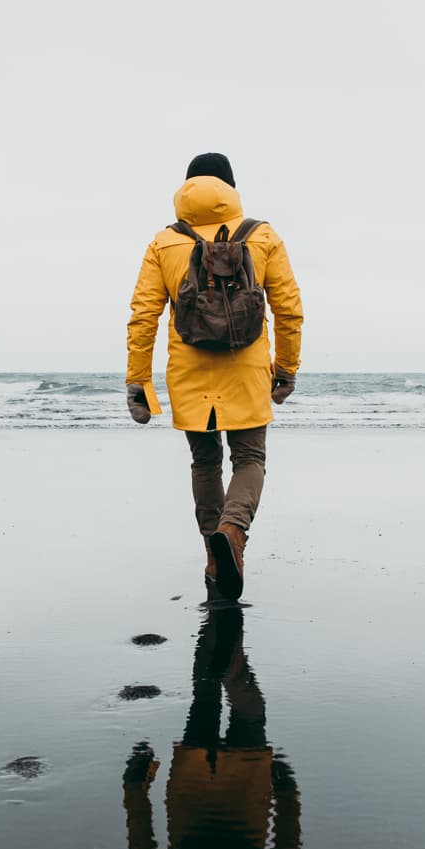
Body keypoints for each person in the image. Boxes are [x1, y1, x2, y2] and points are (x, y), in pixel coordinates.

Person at [126, 153, 305, 599]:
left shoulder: (164, 243)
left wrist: (139, 383)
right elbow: (288, 308)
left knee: (205, 462)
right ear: (231, 187)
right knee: (249, 459)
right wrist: (286, 368)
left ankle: (213, 553)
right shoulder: (261, 235)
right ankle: (234, 531)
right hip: (246, 367)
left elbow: (143, 316)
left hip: (189, 372)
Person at [122, 605, 302, 849]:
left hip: (246, 783)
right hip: (193, 785)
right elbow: (142, 846)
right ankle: (220, 626)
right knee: (205, 696)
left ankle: (228, 643)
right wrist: (136, 787)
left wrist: (288, 795)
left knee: (247, 709)